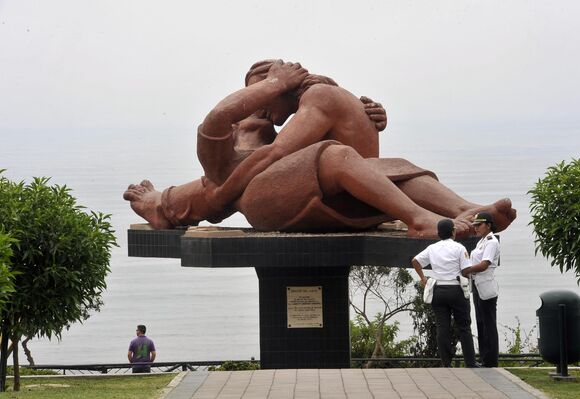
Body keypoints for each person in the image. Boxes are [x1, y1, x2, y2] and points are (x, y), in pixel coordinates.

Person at [124, 60, 517, 237]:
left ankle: (461, 208)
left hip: (306, 199)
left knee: (392, 167)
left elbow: (295, 154)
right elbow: (220, 124)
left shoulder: (299, 125)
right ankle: (418, 219)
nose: (264, 110)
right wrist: (273, 85)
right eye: (254, 96)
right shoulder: (233, 138)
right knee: (335, 155)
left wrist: (363, 117)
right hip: (257, 201)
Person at [411, 219, 477, 367]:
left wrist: (423, 278)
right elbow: (466, 269)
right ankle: (470, 363)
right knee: (464, 326)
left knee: (442, 327)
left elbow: (415, 261)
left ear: (439, 233)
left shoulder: (432, 248)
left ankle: (446, 363)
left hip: (438, 290)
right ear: (453, 231)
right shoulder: (459, 248)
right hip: (456, 289)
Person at [461, 211, 500, 367]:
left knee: (488, 323)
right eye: (475, 225)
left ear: (488, 225)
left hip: (485, 284)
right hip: (477, 285)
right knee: (481, 322)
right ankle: (485, 358)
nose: (476, 228)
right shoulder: (482, 241)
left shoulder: (491, 242)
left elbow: (485, 264)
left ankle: (491, 360)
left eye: (479, 225)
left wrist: (467, 270)